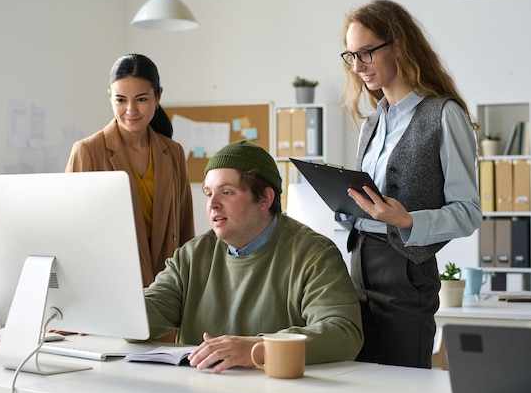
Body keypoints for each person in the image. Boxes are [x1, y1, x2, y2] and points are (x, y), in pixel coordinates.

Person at [337, 0, 482, 368]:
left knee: (404, 385)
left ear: (398, 45)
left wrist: (408, 221)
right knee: (361, 381)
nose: (357, 67)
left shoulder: (444, 114)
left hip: (406, 270)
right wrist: (345, 205)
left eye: (366, 52)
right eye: (351, 55)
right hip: (359, 262)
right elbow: (370, 204)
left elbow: (468, 213)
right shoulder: (372, 123)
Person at [140, 140, 364, 374]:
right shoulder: (192, 254)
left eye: (226, 192)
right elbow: (145, 314)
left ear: (265, 199)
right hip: (200, 390)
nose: (212, 205)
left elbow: (343, 333)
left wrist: (257, 348)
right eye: (208, 193)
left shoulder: (315, 254)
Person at [66, 53, 195, 290]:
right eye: (121, 99)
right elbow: (71, 236)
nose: (131, 110)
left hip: (167, 290)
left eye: (142, 99)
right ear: (110, 98)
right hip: (110, 289)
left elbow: (185, 229)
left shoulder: (173, 153)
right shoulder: (87, 151)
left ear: (158, 97)